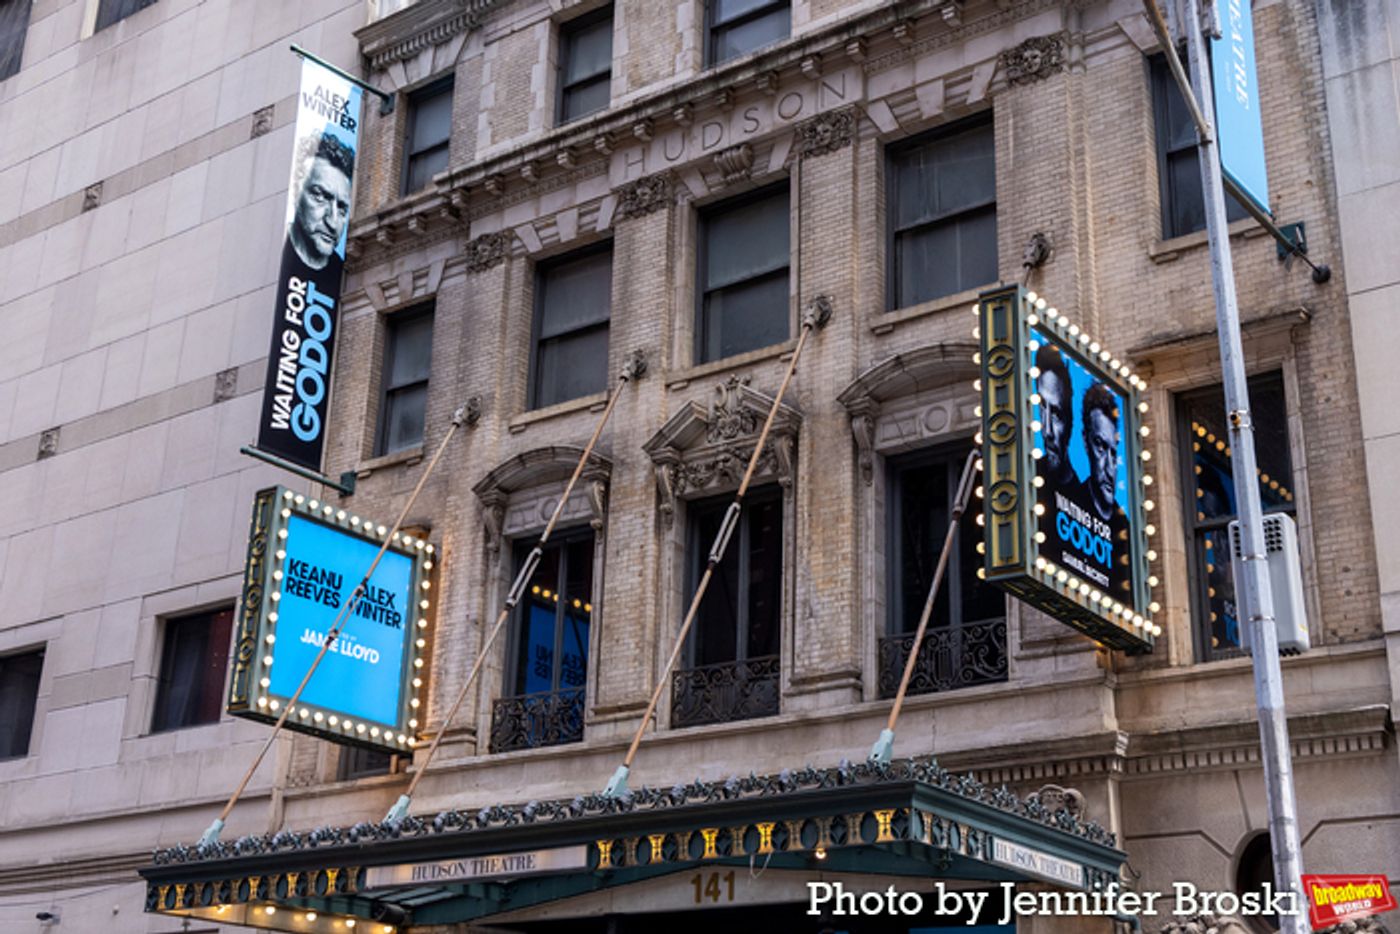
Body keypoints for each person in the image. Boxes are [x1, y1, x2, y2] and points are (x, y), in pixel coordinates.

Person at [1080, 381, 1131, 593]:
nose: (1109, 467)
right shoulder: (1062, 502)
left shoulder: (1128, 529)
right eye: (1100, 446)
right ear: (1086, 442)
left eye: (1113, 451)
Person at [288, 133, 354, 271]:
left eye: (342, 208)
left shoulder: (344, 271)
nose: (332, 222)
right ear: (296, 190)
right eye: (320, 197)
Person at [1035, 344, 1077, 490]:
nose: (1047, 432)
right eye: (1041, 406)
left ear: (1070, 419)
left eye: (1055, 414)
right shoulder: (1027, 477)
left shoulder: (1085, 500)